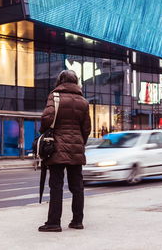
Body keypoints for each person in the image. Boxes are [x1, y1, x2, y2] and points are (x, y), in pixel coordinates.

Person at [38, 70, 91, 232]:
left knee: (56, 186)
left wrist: (44, 131)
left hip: (57, 148)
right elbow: (87, 128)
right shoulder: (83, 101)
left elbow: (46, 118)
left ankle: (54, 223)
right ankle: (77, 221)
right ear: (76, 82)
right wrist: (79, 142)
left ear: (60, 80)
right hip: (76, 148)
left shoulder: (55, 97)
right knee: (77, 186)